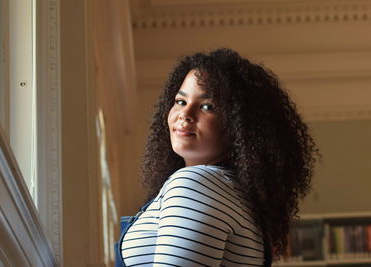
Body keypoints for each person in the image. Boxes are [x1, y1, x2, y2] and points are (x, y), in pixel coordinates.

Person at [115, 48, 318, 266]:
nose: (185, 114)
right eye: (180, 101)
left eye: (207, 106)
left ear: (239, 127)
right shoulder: (232, 193)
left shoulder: (195, 184)